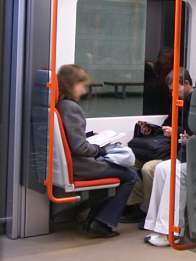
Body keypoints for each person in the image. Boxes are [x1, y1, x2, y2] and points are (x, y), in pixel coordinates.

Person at [56, 63, 138, 238]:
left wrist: (88, 135)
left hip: (72, 163)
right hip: (81, 166)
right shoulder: (72, 108)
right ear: (72, 85)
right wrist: (99, 150)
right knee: (130, 175)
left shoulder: (60, 106)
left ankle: (94, 220)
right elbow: (80, 148)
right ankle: (100, 223)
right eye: (82, 86)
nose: (84, 91)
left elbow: (71, 138)